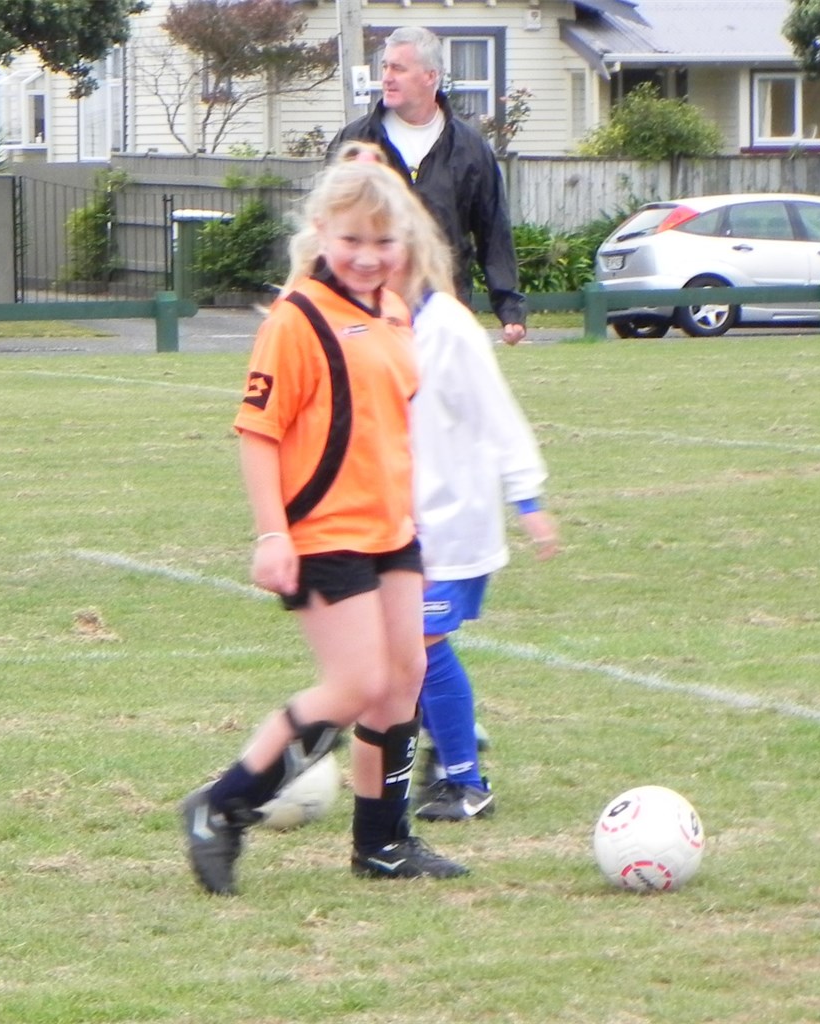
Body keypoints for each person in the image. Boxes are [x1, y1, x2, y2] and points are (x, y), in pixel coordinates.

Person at [180, 159, 468, 895]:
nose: (367, 256)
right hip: (322, 533)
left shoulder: (396, 312)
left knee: (401, 683)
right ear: (319, 234)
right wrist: (272, 533)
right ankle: (220, 808)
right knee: (355, 683)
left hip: (390, 532)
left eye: (382, 240)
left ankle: (382, 844)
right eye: (350, 239)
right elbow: (258, 431)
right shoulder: (296, 318)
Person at [336, 141, 559, 821]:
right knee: (400, 653)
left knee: (420, 648)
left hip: (450, 525)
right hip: (397, 522)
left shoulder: (448, 327)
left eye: (388, 240)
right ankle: (449, 737)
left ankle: (464, 778)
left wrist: (528, 497)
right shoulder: (370, 324)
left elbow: (499, 416)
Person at [329, 26, 528, 347]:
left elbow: (493, 230)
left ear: (430, 76)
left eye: (399, 68)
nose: (387, 77)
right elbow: (328, 226)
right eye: (385, 66)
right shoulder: (356, 142)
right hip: (367, 310)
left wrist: (509, 308)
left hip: (443, 307)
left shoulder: (471, 147)